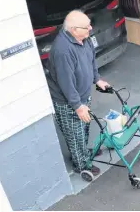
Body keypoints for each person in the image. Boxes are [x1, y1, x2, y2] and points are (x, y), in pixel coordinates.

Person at [47, 10, 110, 176]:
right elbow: (65, 83)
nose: (90, 28)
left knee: (84, 128)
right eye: (86, 26)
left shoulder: (84, 40)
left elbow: (91, 60)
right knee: (75, 134)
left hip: (82, 96)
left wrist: (97, 79)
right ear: (74, 30)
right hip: (68, 101)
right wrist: (78, 106)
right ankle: (81, 164)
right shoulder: (63, 50)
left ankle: (83, 152)